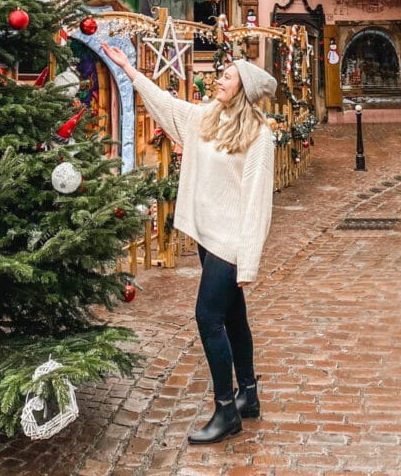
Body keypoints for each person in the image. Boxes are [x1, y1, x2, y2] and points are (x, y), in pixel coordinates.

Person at [100, 43, 276, 445]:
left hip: (231, 243)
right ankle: (248, 394)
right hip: (209, 235)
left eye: (228, 77)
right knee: (233, 318)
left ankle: (225, 410)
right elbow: (166, 105)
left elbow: (256, 201)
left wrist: (248, 262)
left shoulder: (258, 137)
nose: (219, 79)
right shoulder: (207, 119)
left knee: (207, 317)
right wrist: (129, 69)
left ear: (244, 88)